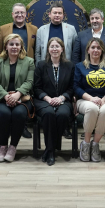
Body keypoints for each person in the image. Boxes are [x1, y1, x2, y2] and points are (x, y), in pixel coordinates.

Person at [0, 33, 35, 162]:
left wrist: (17, 94)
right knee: (3, 113)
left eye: (17, 44)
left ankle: (12, 147)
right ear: (6, 46)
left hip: (22, 98)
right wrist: (6, 96)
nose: (14, 47)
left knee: (19, 114)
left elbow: (29, 82)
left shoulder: (29, 62)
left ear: (21, 46)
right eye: (11, 44)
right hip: (2, 99)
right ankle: (3, 146)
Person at [74, 38, 105, 162]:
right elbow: (76, 87)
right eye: (93, 47)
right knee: (92, 108)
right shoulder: (79, 66)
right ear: (88, 50)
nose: (95, 50)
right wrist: (91, 98)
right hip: (85, 100)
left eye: (98, 48)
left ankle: (95, 145)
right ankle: (86, 143)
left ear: (102, 50)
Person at [33, 37, 74, 166]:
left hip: (63, 99)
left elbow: (72, 88)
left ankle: (49, 149)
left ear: (62, 49)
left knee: (62, 114)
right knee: (49, 113)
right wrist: (48, 98)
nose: (55, 49)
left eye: (57, 46)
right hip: (44, 100)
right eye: (52, 46)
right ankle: (51, 151)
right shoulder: (41, 65)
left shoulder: (69, 66)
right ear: (48, 49)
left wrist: (61, 98)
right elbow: (36, 88)